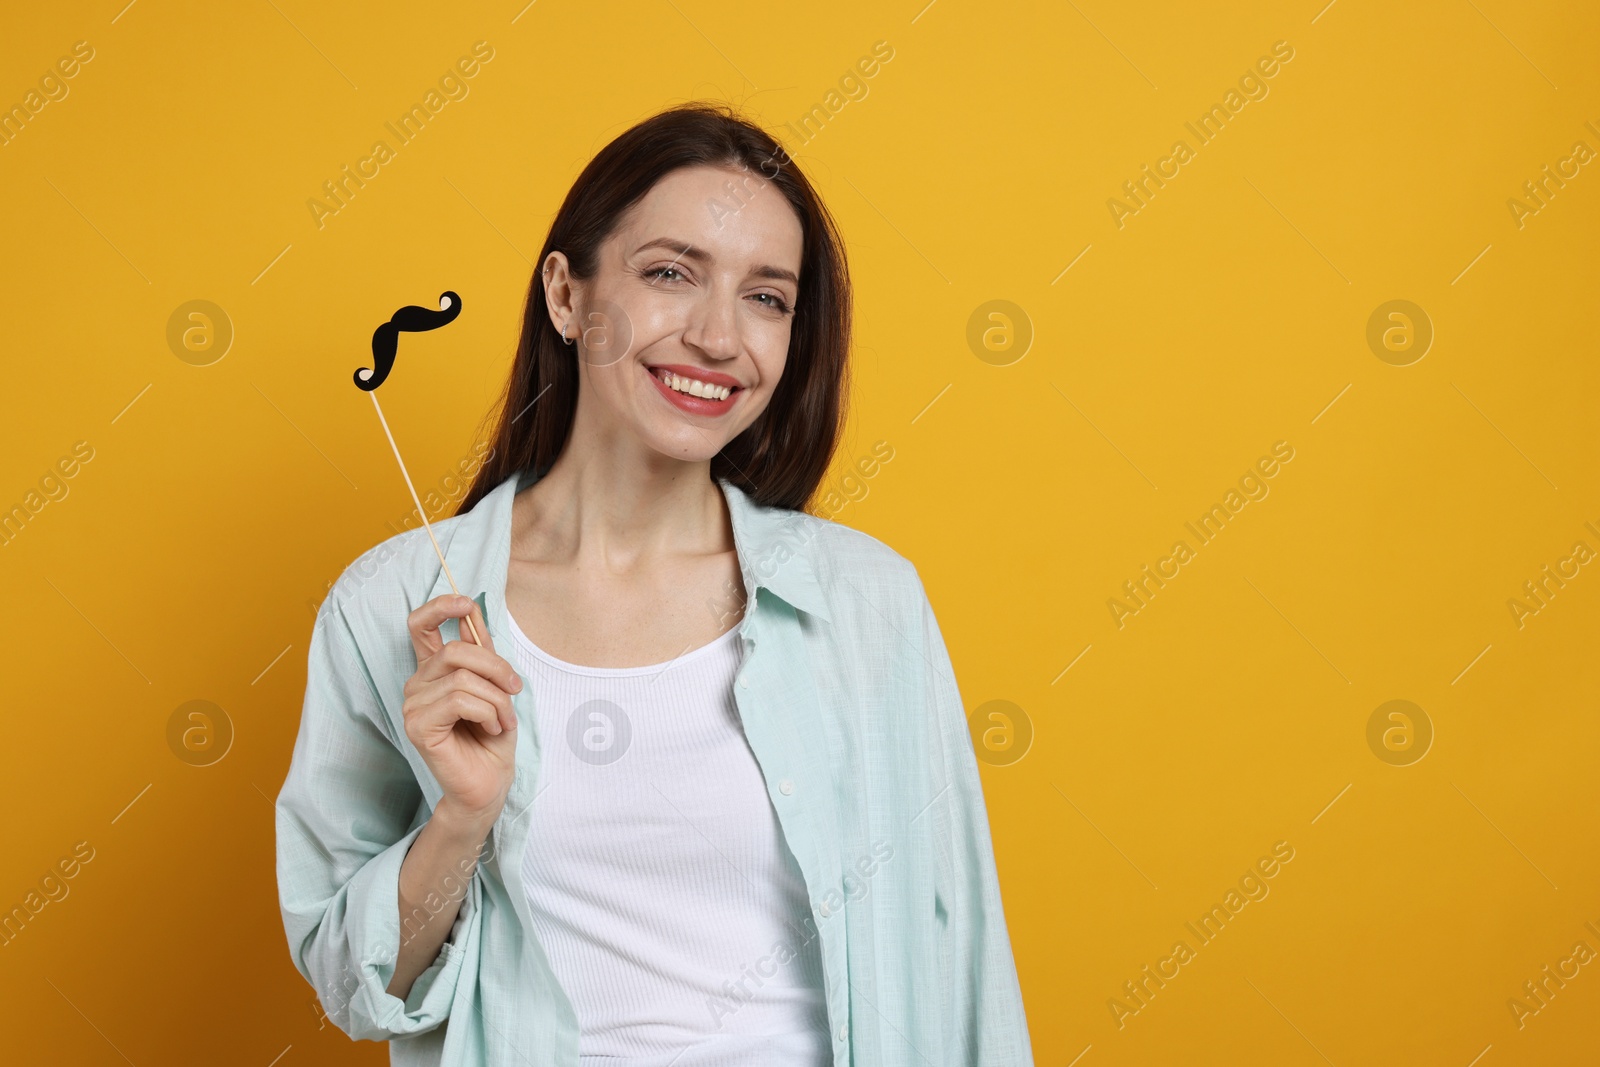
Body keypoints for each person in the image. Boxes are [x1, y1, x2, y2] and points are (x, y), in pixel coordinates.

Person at [275, 102, 1033, 1067]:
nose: (719, 337)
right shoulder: (390, 608)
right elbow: (353, 988)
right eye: (670, 273)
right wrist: (461, 819)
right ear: (566, 294)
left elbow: (962, 951)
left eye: (767, 297)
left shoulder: (864, 601)